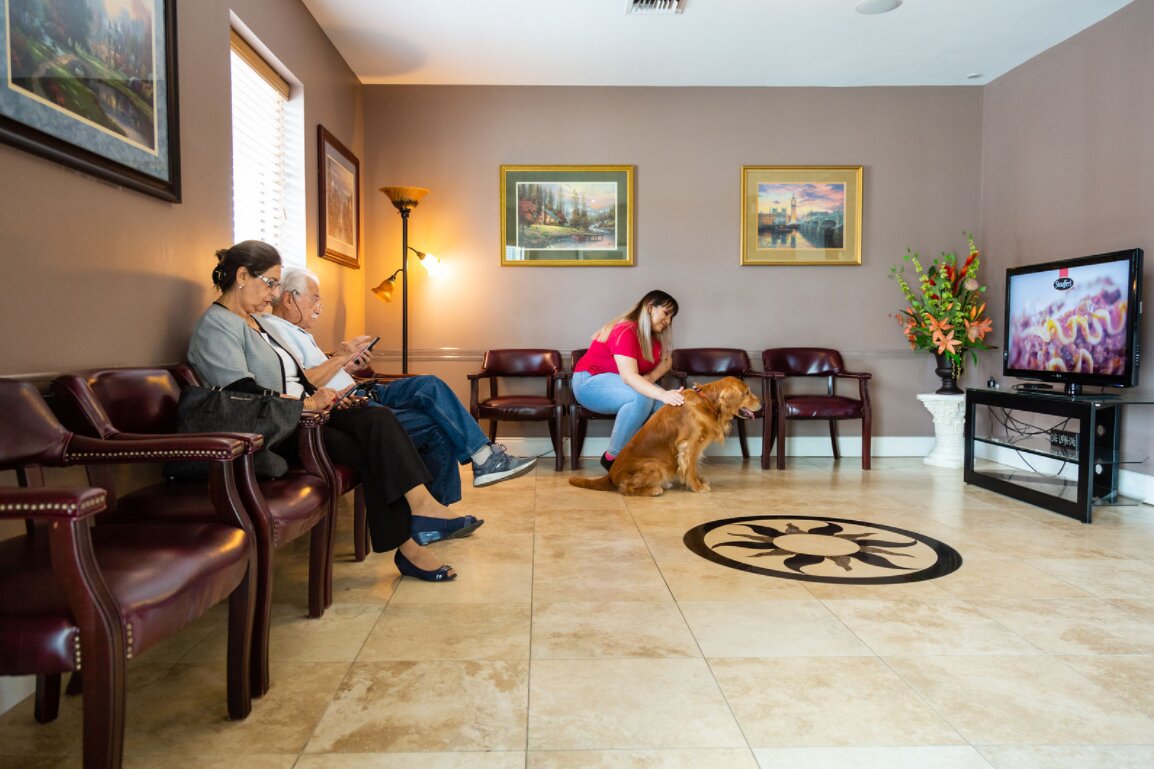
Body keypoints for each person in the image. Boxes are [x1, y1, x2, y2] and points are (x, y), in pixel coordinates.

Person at [187, 240, 469, 582]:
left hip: (301, 415)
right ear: (243, 276)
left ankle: (420, 517)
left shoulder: (254, 322)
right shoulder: (217, 326)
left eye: (277, 285)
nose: (275, 295)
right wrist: (307, 403)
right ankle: (413, 537)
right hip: (275, 430)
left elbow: (292, 375)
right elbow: (240, 397)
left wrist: (326, 396)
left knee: (377, 421)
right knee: (373, 439)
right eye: (271, 283)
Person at [262, 267, 537, 506]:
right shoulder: (274, 333)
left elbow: (320, 374)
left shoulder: (296, 332)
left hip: (364, 389)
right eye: (315, 298)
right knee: (438, 425)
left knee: (429, 384)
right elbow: (307, 381)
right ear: (289, 298)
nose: (319, 306)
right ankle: (445, 504)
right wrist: (340, 358)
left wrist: (347, 367)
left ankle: (475, 468)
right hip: (352, 405)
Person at [570, 290, 683, 470]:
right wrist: (662, 393)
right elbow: (629, 377)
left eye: (672, 317)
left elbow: (667, 361)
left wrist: (650, 378)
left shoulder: (654, 337)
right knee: (642, 396)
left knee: (666, 408)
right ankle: (612, 458)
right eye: (666, 313)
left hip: (619, 384)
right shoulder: (626, 329)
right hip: (589, 382)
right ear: (651, 308)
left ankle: (648, 458)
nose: (668, 321)